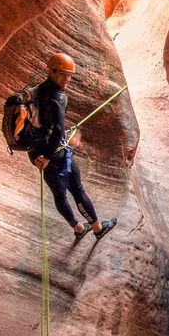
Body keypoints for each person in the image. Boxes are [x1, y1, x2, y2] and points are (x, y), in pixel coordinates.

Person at [29, 52, 117, 241]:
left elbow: (43, 123)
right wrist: (49, 155)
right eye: (63, 74)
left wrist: (41, 155)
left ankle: (78, 228)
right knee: (77, 190)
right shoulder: (58, 97)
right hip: (54, 155)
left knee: (58, 194)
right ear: (51, 72)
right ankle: (97, 228)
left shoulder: (36, 90)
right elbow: (58, 131)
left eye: (70, 75)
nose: (67, 79)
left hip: (36, 152)